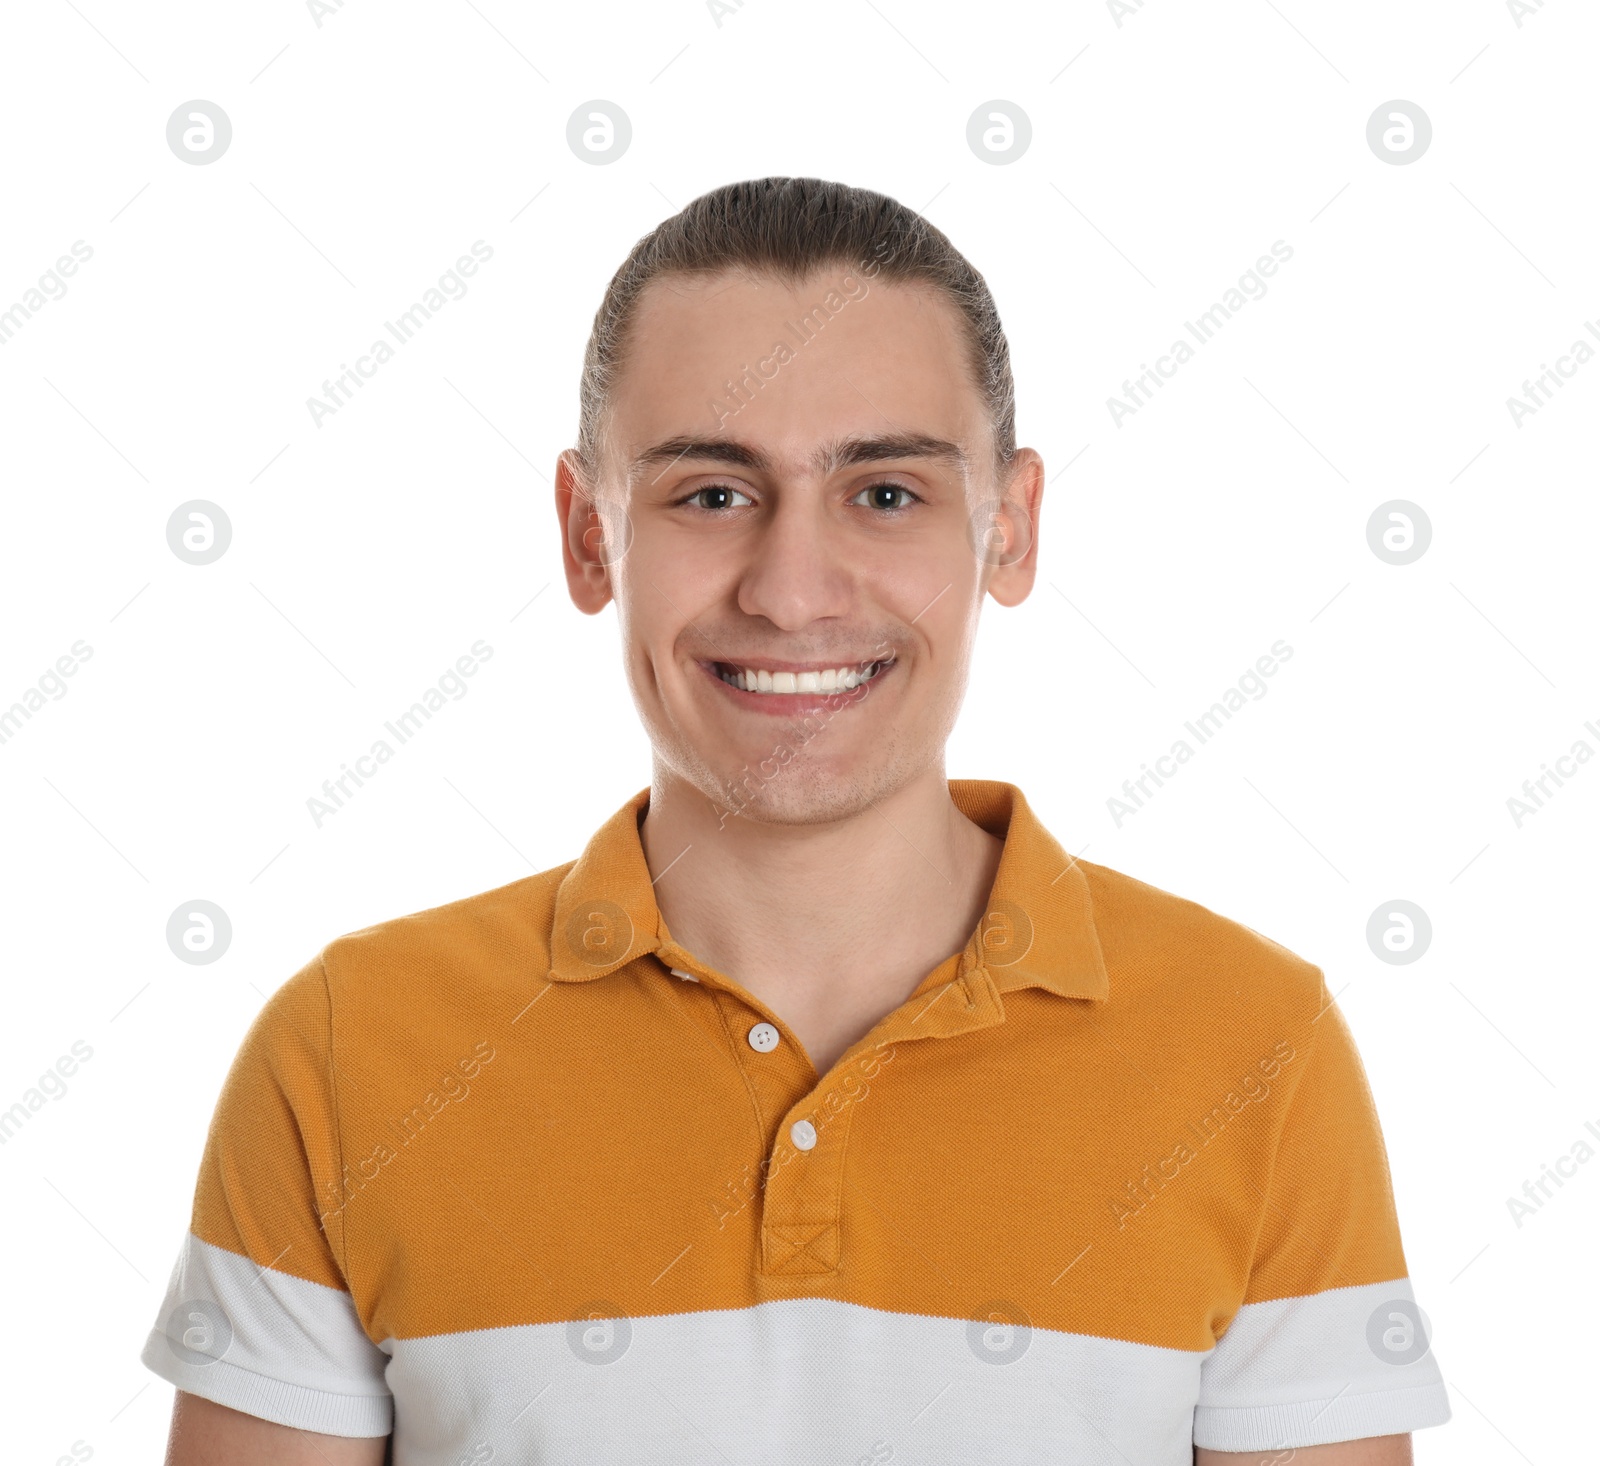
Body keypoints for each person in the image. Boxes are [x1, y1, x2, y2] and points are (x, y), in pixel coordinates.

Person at [145, 177, 1451, 1464]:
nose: (792, 589)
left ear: (1010, 528)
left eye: (885, 491)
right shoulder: (346, 1049)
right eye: (712, 492)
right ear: (589, 538)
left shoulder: (1255, 1052)